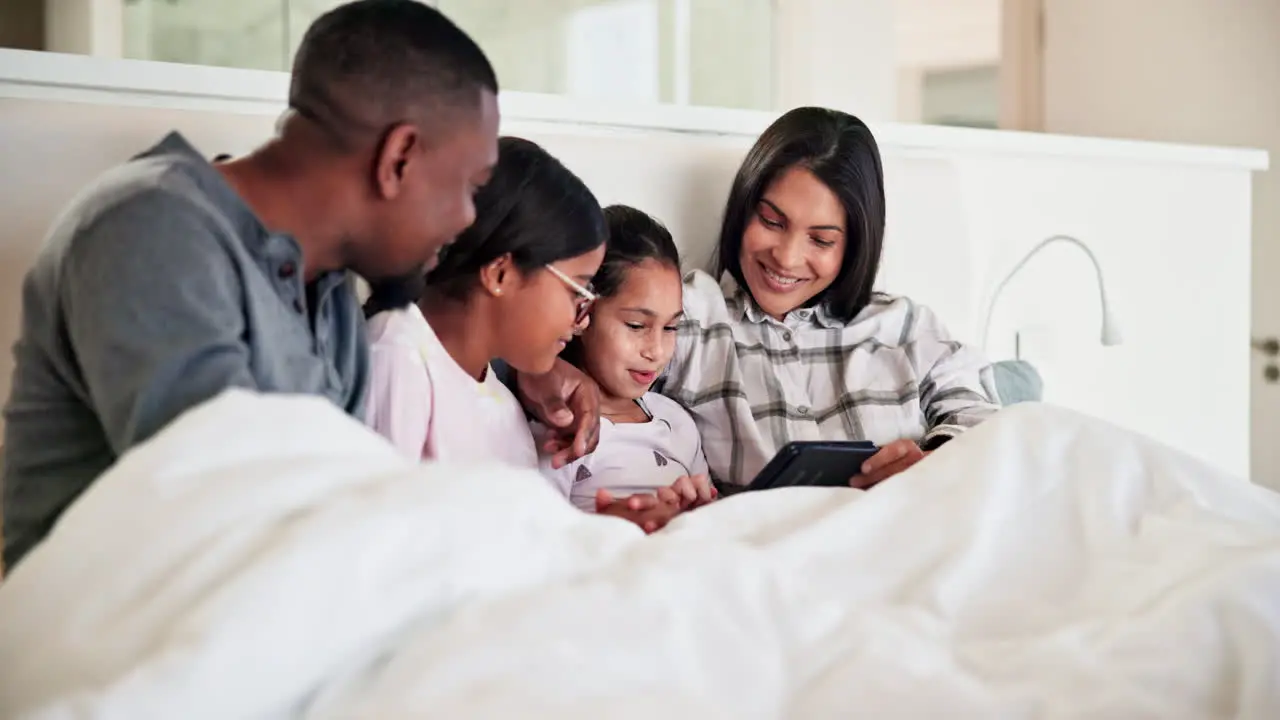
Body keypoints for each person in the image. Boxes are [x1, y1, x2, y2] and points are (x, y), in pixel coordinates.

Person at [0, 0, 523, 570]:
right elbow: (229, 515)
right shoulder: (152, 228)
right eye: (471, 185)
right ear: (398, 158)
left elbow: (335, 510)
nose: (470, 219)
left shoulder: (331, 294)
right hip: (123, 639)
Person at [516, 107, 1000, 492]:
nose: (787, 258)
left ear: (855, 245)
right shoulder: (690, 316)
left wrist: (934, 460)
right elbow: (568, 331)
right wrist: (544, 370)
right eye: (771, 221)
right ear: (744, 208)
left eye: (822, 240)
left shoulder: (904, 328)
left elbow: (992, 423)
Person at [362, 136, 606, 471]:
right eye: (576, 292)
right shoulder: (398, 355)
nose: (582, 320)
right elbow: (380, 516)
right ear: (501, 274)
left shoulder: (502, 405)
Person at [536, 206, 716, 525]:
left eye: (671, 327)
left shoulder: (676, 420)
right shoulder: (561, 429)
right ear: (581, 313)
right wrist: (617, 526)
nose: (657, 351)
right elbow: (539, 538)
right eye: (636, 325)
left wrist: (702, 511)